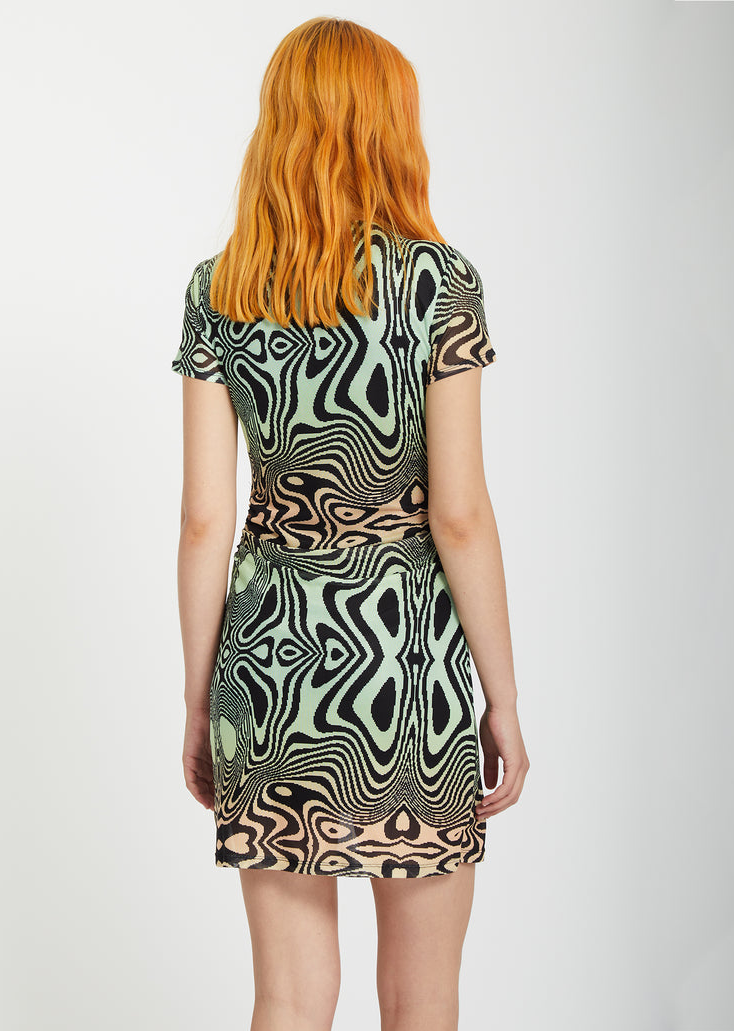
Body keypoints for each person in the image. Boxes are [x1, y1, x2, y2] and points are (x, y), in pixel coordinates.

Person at [171, 16, 529, 1031]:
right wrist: (502, 700)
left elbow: (204, 520)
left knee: (288, 999)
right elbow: (459, 514)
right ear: (389, 125)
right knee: (421, 999)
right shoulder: (439, 284)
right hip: (405, 674)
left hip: (269, 674)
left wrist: (200, 705)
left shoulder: (220, 289)